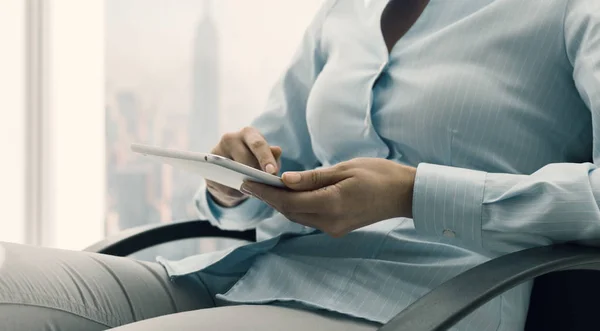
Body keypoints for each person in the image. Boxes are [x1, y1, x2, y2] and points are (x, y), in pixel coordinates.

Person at [1, 0, 599, 330]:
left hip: (415, 303)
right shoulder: (344, 16)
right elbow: (274, 162)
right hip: (251, 278)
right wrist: (233, 180)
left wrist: (413, 193)